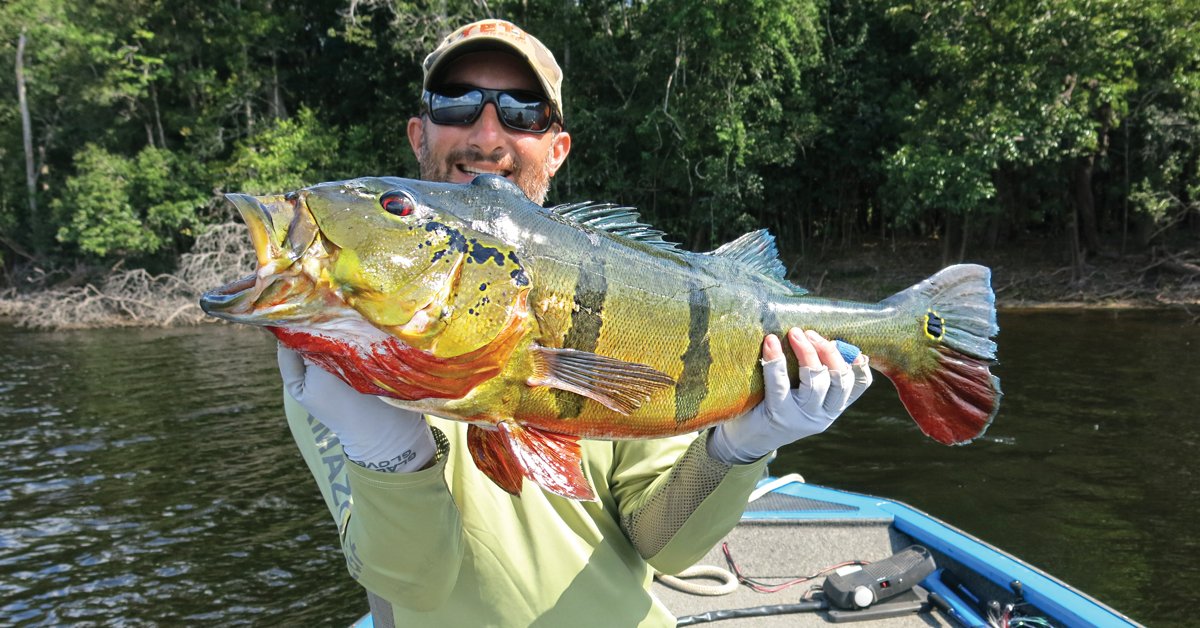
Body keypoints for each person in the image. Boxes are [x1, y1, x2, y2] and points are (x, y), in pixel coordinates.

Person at [276, 18, 872, 627]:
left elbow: (661, 542)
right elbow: (414, 586)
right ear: (418, 134)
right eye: (456, 105)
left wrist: (743, 444)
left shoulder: (628, 300)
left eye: (522, 111)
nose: (487, 134)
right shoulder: (336, 344)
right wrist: (388, 456)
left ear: (556, 148)